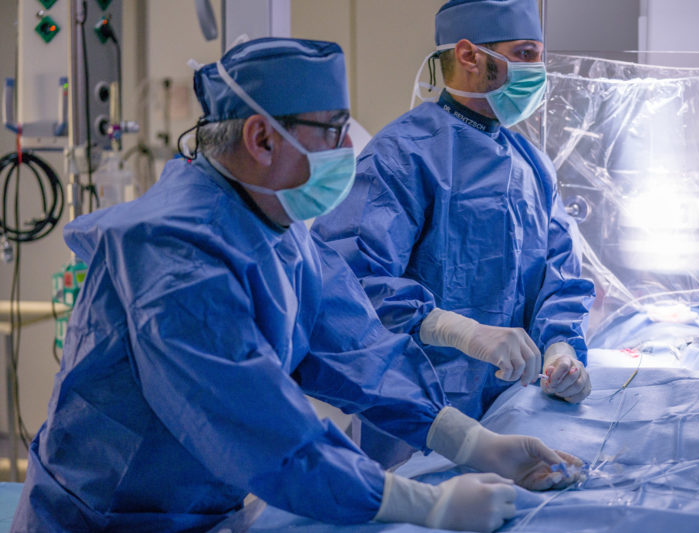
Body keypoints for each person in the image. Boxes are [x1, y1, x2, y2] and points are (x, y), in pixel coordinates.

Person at [11, 38, 583, 533]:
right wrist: (426, 504)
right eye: (333, 130)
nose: (346, 150)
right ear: (261, 138)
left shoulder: (271, 223)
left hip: (203, 505)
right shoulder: (172, 255)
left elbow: (353, 347)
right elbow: (256, 422)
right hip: (112, 515)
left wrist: (473, 442)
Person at [312, 0, 596, 468]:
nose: (537, 71)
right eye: (524, 53)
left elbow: (560, 275)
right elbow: (346, 285)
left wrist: (563, 348)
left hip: (519, 415)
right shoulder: (403, 156)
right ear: (469, 56)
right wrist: (456, 330)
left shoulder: (530, 163)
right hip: (418, 428)